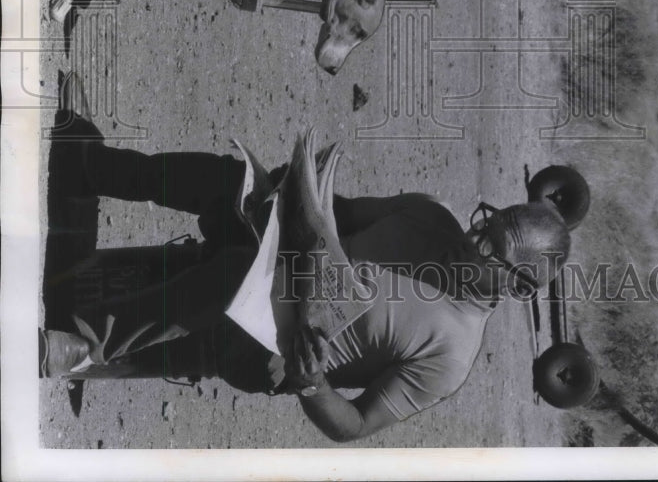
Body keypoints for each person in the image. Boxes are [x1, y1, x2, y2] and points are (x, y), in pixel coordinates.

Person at [41, 78, 570, 443]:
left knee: (231, 278)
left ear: (518, 287)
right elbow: (340, 213)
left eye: (490, 247)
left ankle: (85, 344)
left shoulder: (450, 355)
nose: (473, 236)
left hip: (266, 348)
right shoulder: (432, 216)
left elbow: (355, 425)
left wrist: (315, 384)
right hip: (273, 256)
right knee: (230, 183)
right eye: (488, 220)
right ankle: (90, 168)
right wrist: (292, 191)